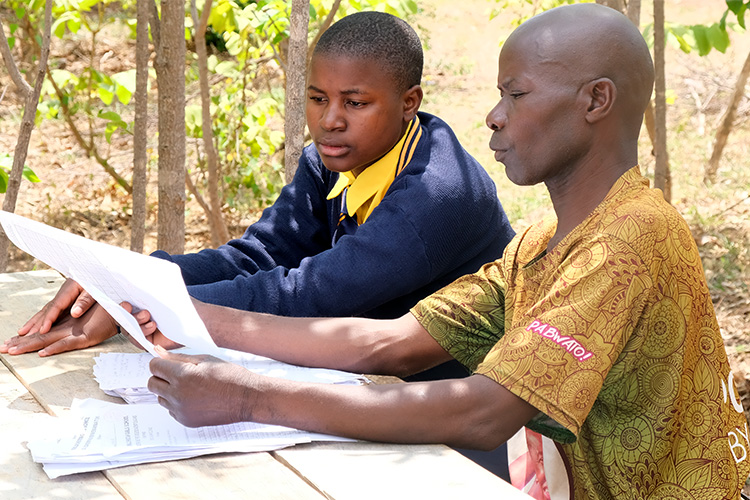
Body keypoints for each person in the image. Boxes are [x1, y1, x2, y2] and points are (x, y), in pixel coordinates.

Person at [132, 4, 750, 498]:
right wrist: (173, 309)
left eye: (518, 95)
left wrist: (245, 397)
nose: (493, 117)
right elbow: (391, 344)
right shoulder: (543, 245)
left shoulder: (627, 240)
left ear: (595, 101)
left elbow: (483, 414)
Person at [1, 12, 514, 369]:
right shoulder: (332, 161)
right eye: (317, 98)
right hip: (361, 373)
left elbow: (311, 294)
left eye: (355, 104)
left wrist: (139, 309)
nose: (329, 121)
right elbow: (259, 255)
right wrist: (127, 277)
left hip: (454, 410)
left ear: (409, 103)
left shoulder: (435, 197)